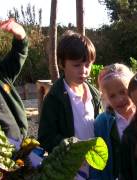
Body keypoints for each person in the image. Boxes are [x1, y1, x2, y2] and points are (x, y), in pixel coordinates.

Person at [37, 30, 101, 180]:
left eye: (87, 64)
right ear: (62, 64)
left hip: (96, 169)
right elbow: (46, 138)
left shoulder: (95, 95)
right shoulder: (54, 98)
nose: (84, 71)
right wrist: (73, 153)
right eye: (77, 65)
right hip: (70, 171)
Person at [89, 63, 135, 180]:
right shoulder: (102, 123)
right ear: (105, 97)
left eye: (123, 92)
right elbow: (97, 161)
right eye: (112, 96)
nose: (119, 99)